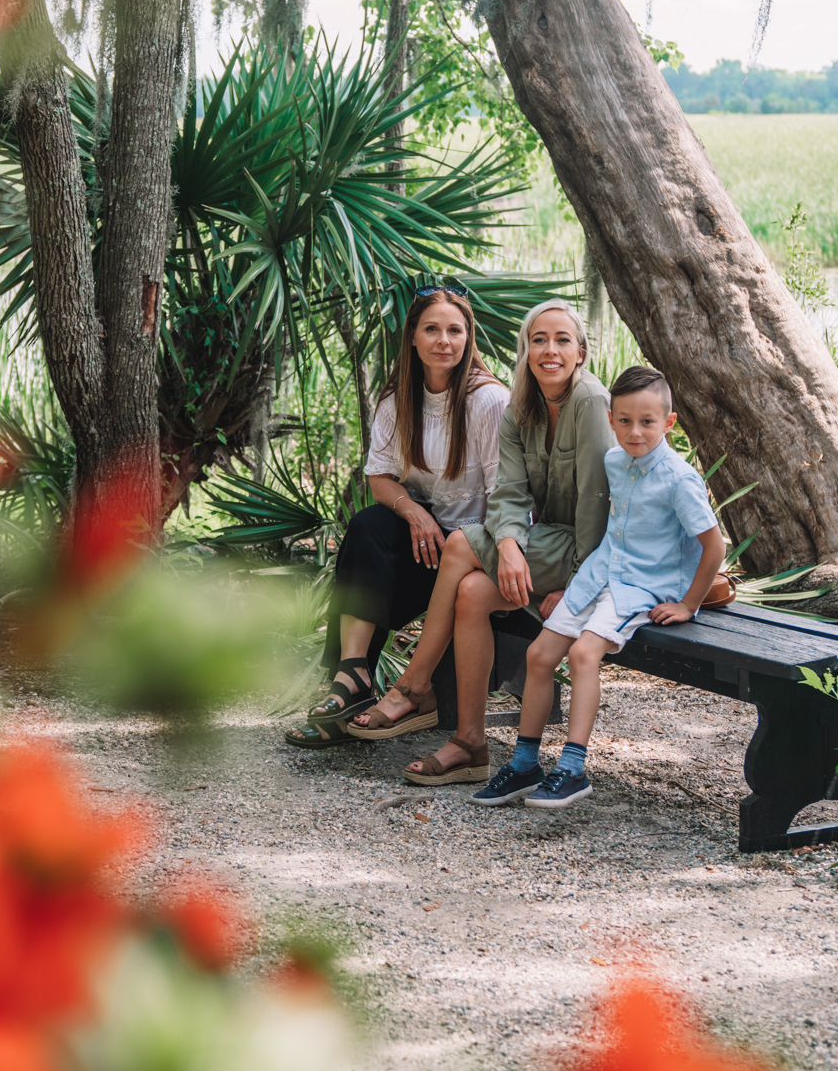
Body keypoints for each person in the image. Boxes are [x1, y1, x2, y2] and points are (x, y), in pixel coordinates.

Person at [348, 298, 613, 786]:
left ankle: (414, 684)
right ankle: (471, 744)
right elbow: (509, 494)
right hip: (542, 543)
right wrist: (510, 545)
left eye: (562, 340)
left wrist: (578, 587)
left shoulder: (590, 401)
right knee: (470, 593)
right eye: (538, 340)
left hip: (590, 554)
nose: (549, 350)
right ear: (524, 350)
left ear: (582, 352)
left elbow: (601, 506)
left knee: (457, 547)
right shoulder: (520, 407)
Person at [472, 364, 725, 810]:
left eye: (647, 422)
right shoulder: (613, 461)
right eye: (624, 421)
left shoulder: (679, 479)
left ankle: (572, 769)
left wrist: (688, 604)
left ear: (669, 423)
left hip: (642, 586)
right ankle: (526, 762)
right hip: (598, 574)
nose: (634, 432)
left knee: (583, 653)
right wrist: (573, 581)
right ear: (610, 420)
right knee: (538, 655)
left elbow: (713, 546)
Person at [284, 284, 508, 748]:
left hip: (480, 549)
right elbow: (381, 478)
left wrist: (462, 542)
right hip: (431, 543)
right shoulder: (398, 400)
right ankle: (353, 678)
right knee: (369, 529)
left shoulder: (487, 401)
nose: (443, 340)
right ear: (412, 337)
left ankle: (351, 695)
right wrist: (413, 513)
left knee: (382, 557)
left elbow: (505, 496)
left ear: (469, 338)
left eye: (454, 330)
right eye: (432, 329)